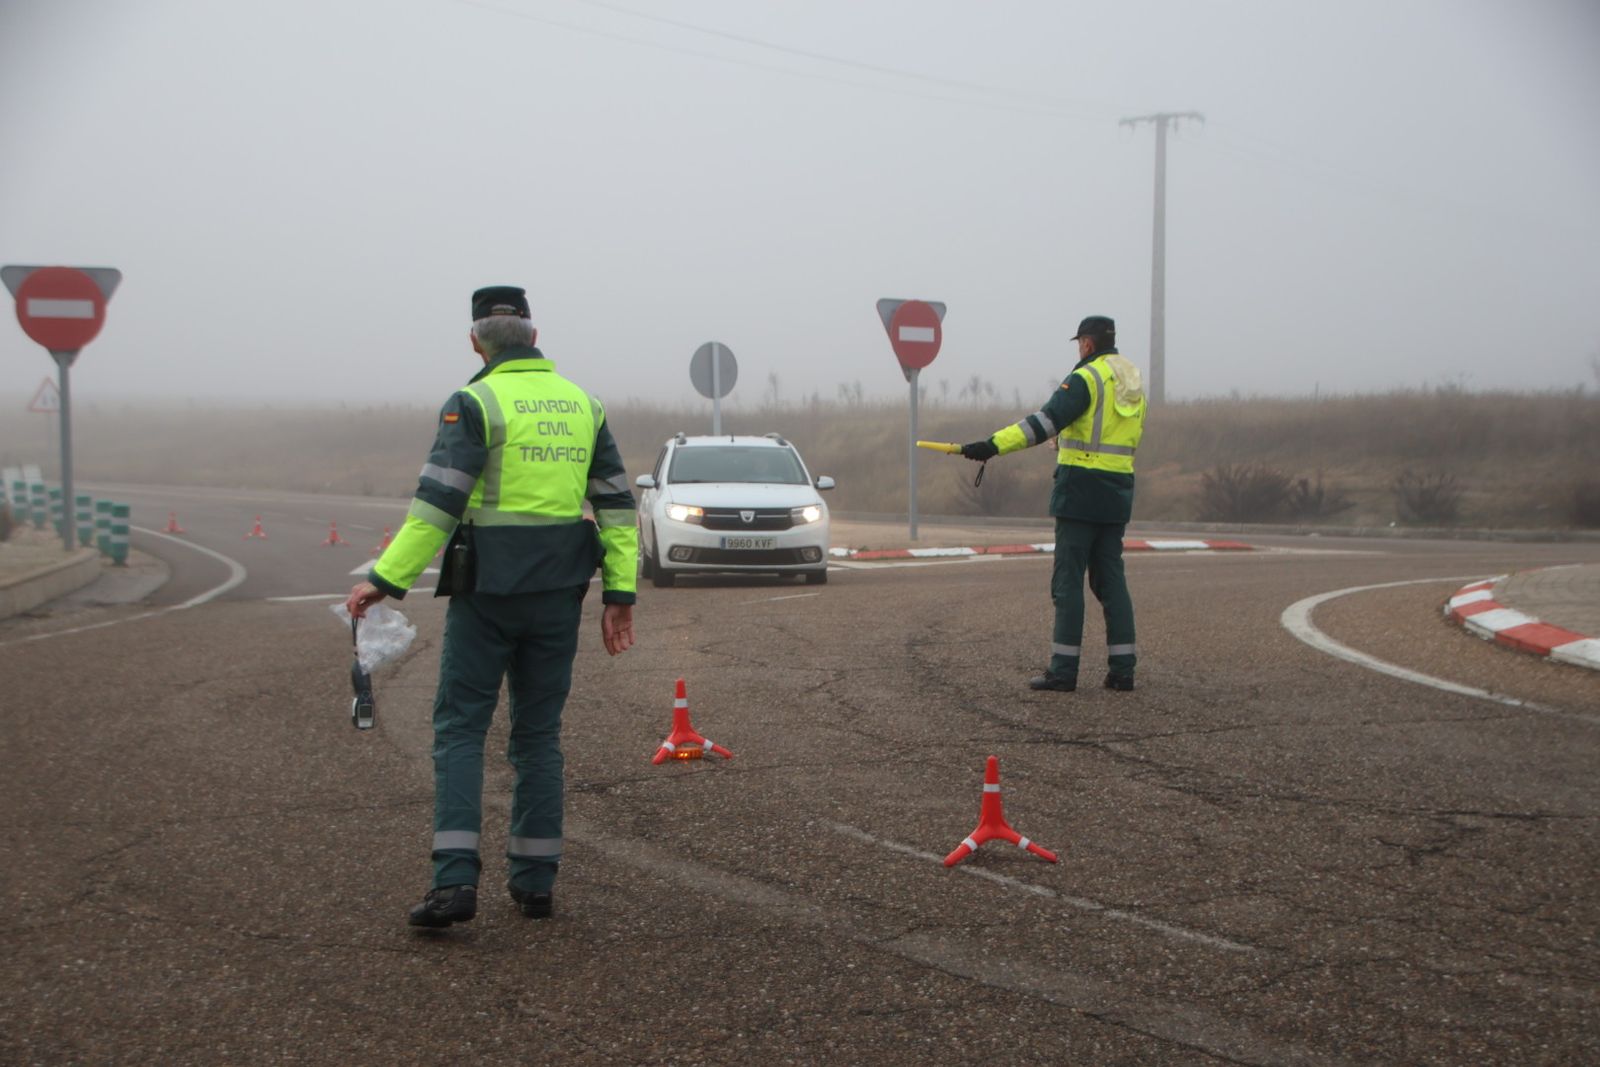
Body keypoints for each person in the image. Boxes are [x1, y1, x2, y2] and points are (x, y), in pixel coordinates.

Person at [344, 285, 638, 928]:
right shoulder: (584, 405)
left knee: (459, 732)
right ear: (534, 336)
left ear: (475, 341)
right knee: (537, 738)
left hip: (488, 595)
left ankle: (454, 885)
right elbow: (616, 509)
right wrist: (620, 594)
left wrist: (385, 579)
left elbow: (437, 506)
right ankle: (535, 883)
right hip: (559, 594)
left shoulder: (474, 402)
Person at [960, 315, 1146, 693]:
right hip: (1118, 490)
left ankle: (1063, 671)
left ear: (1088, 344)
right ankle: (1123, 671)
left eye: (1080, 343)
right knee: (1111, 580)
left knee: (1068, 582)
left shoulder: (1086, 377)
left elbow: (1044, 422)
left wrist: (992, 445)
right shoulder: (1130, 378)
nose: (1079, 349)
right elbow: (1113, 432)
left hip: (1080, 491)